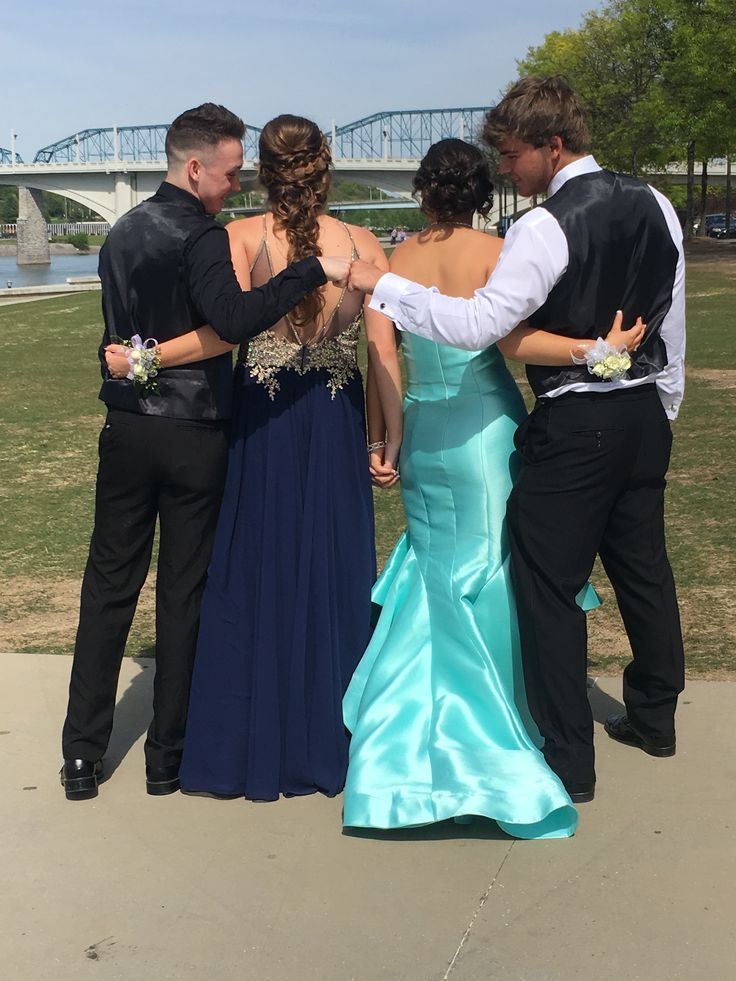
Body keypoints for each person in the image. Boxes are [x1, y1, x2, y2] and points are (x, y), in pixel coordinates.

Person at [349, 76, 686, 804]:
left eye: (513, 153)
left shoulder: (542, 225)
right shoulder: (657, 202)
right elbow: (673, 314)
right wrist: (663, 403)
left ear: (551, 145)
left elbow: (478, 328)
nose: (506, 167)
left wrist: (386, 284)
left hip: (579, 422)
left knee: (546, 583)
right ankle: (656, 716)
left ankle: (570, 758)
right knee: (645, 570)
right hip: (642, 417)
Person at [60, 103, 349, 801]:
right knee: (183, 591)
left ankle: (80, 753)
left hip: (126, 430)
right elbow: (235, 321)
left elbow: (119, 334)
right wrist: (309, 271)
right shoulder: (204, 238)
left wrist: (135, 363)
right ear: (195, 168)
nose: (236, 181)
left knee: (108, 588)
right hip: (193, 434)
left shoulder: (121, 233)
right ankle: (167, 757)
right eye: (228, 170)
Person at [122, 115, 402, 801]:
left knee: (255, 568)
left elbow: (222, 337)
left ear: (267, 173)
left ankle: (251, 741)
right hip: (334, 419)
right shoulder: (362, 243)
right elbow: (384, 352)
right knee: (332, 570)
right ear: (324, 169)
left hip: (263, 423)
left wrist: (147, 356)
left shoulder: (238, 237)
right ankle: (327, 735)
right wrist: (385, 441)